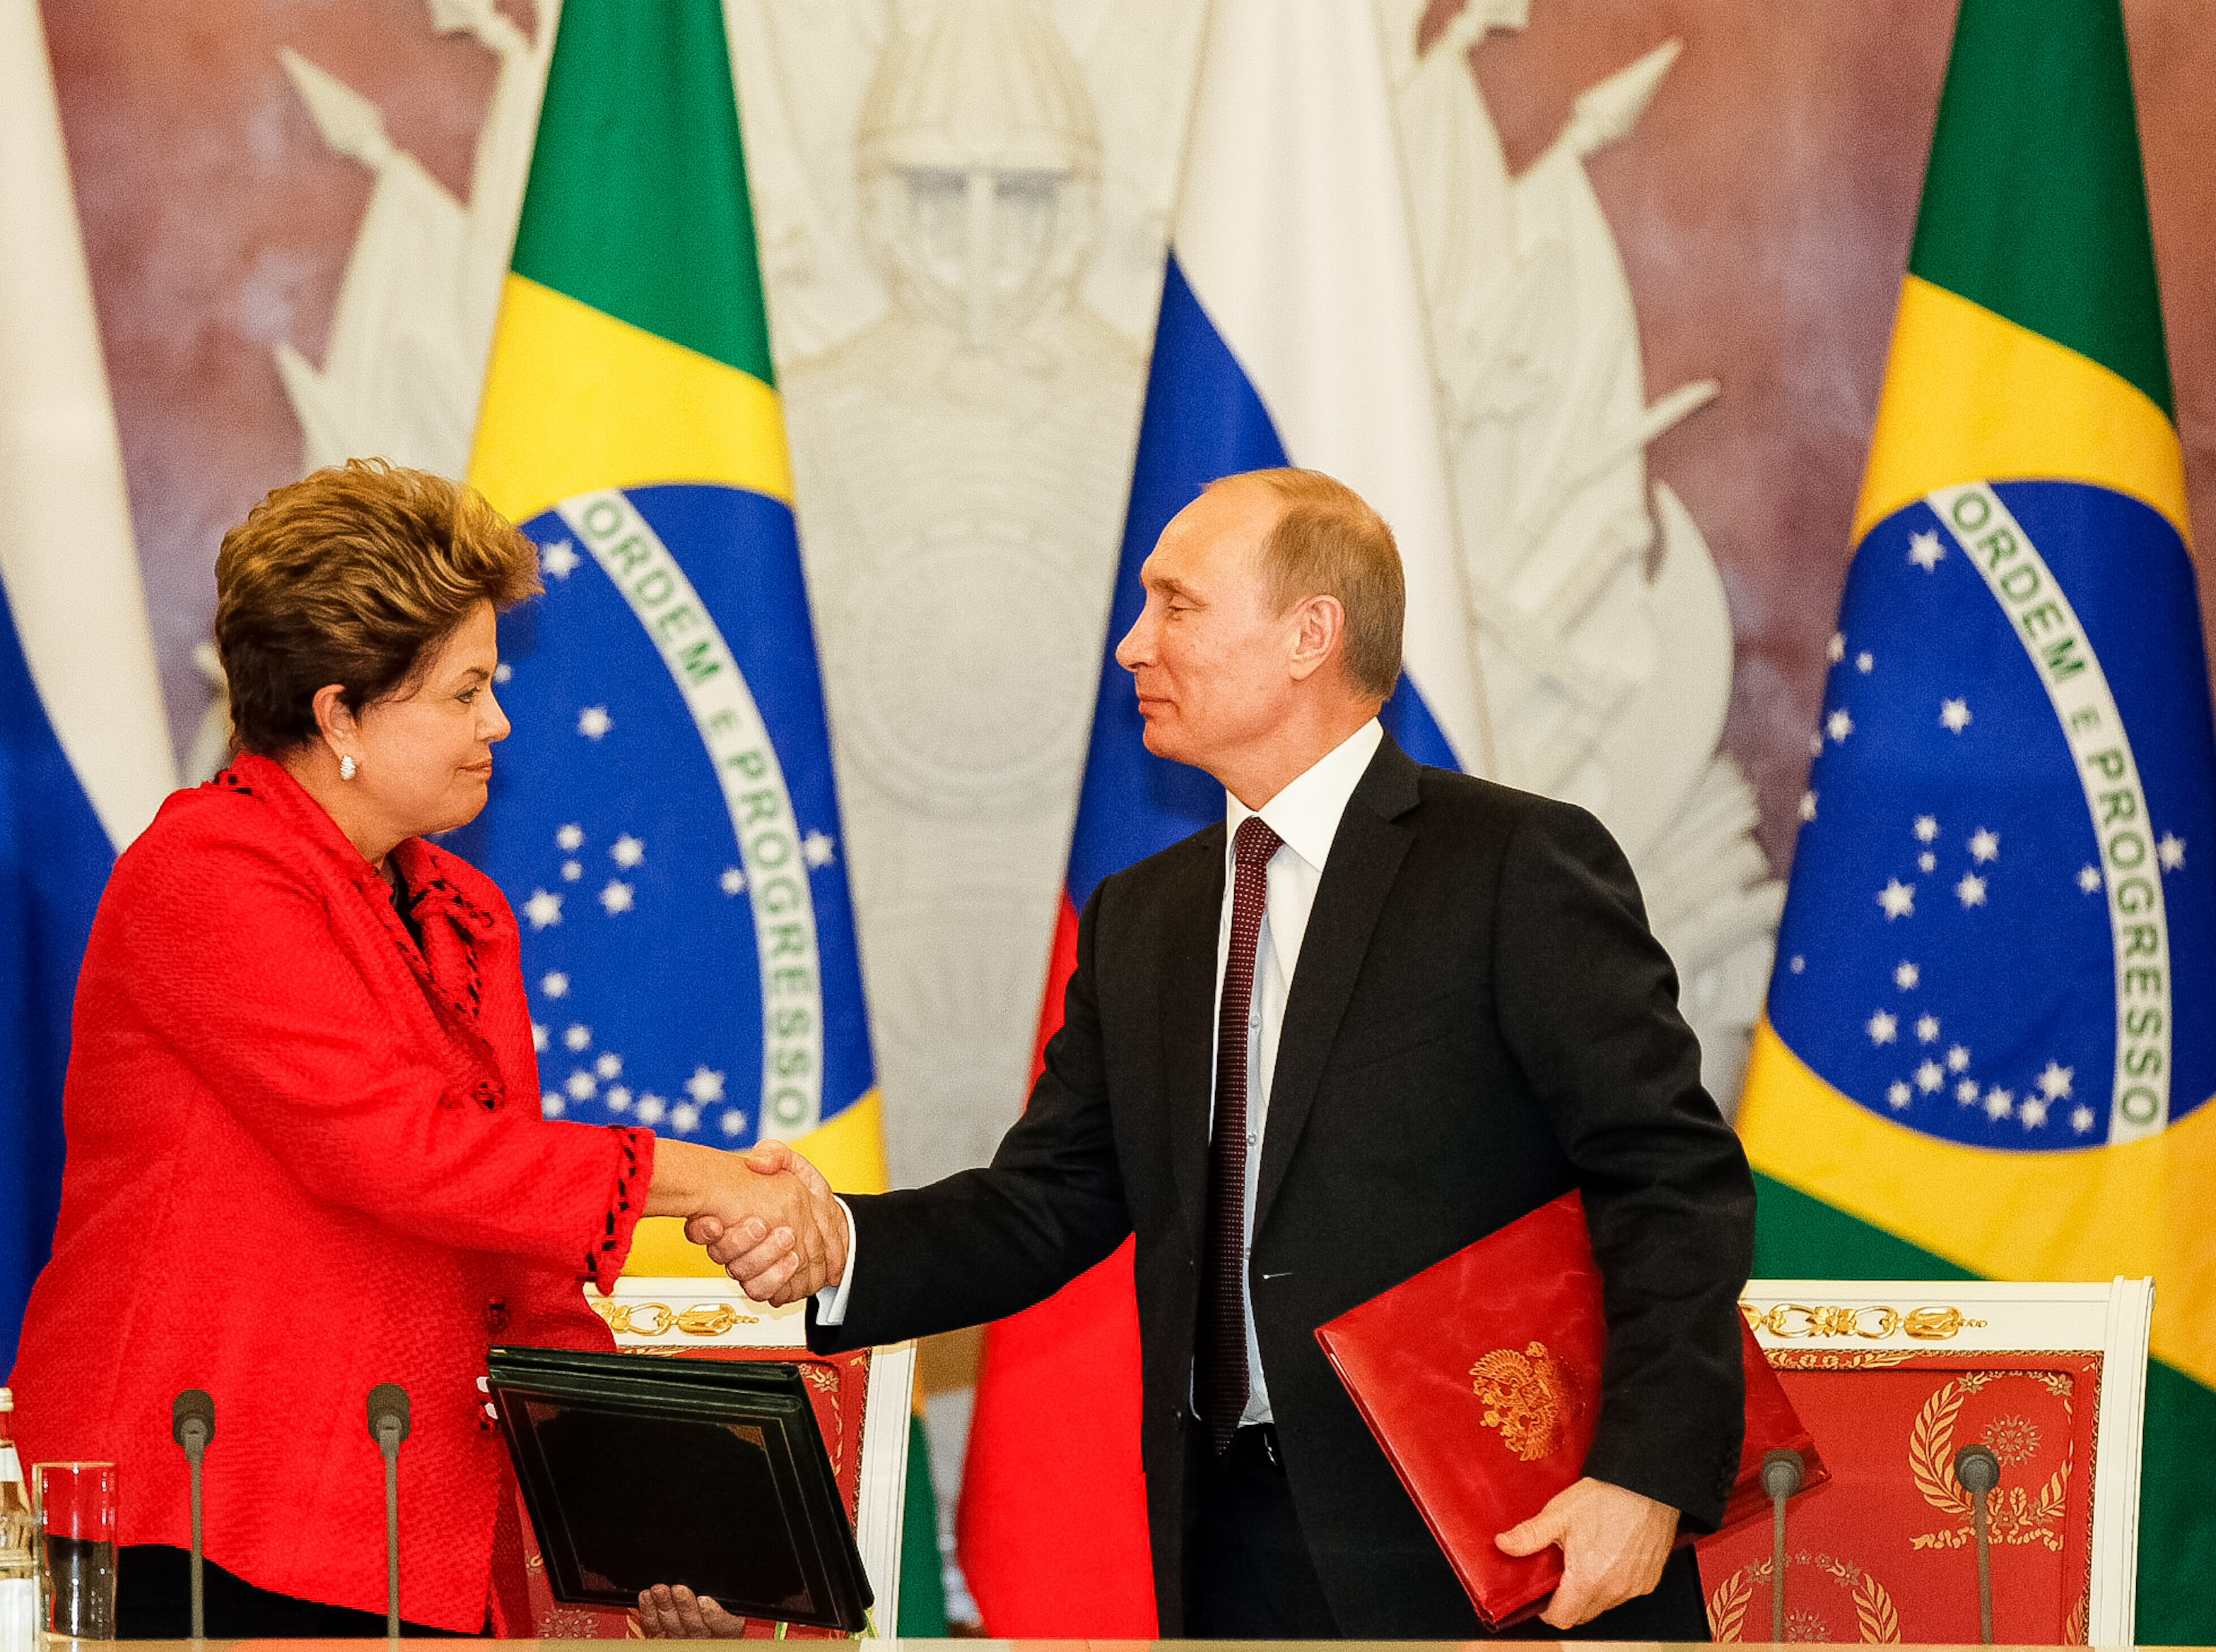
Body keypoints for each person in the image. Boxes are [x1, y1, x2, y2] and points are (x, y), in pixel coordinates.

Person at [701, 467, 1757, 1639]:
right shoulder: (1143, 915)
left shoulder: (1511, 863)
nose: (1130, 644)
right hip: (1229, 1539)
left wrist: (1644, 1474)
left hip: (1507, 1536)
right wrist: (834, 1239)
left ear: (1310, 633)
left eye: (1175, 604)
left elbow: (1668, 1179)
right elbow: (1047, 1202)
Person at [10, 460, 838, 1638]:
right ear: (341, 711)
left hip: (407, 1536)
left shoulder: (460, 910)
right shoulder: (204, 874)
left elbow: (525, 1264)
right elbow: (400, 1152)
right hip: (204, 1523)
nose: (499, 720)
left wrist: (647, 1542)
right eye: (464, 691)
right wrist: (696, 1176)